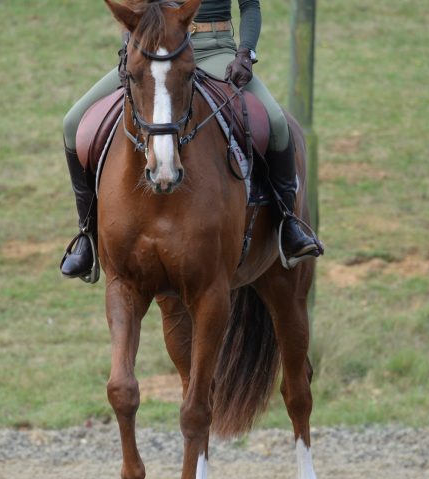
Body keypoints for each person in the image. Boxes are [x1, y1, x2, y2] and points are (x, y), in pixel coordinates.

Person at [61, 0, 322, 281]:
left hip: (215, 50)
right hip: (157, 52)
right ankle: (87, 233)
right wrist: (130, 46)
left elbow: (250, 7)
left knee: (276, 122)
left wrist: (245, 53)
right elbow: (135, 9)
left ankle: (288, 224)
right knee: (72, 122)